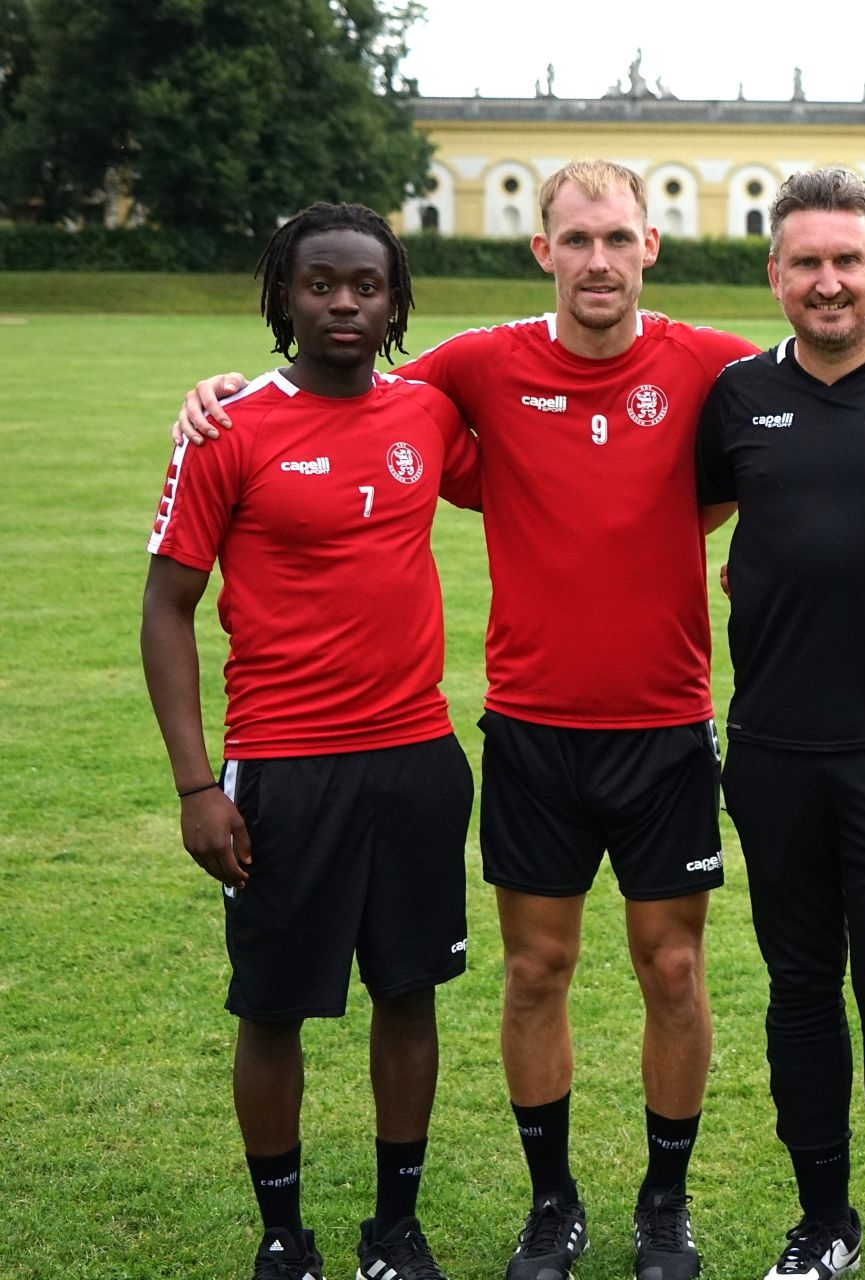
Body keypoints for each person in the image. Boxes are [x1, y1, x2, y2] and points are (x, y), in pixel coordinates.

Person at [175, 160, 865, 1280]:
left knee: (674, 969)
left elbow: (805, 422)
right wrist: (225, 389)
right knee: (534, 973)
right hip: (530, 726)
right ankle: (551, 1203)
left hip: (666, 725)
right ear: (543, 251)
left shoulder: (715, 368)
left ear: (650, 245)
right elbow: (349, 377)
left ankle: (665, 1205)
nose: (597, 260)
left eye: (617, 238)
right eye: (576, 239)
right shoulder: (476, 365)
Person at [142, 203, 481, 1280]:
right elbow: (165, 609)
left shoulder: (428, 413)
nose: (343, 303)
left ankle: (396, 1227)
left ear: (396, 302)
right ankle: (284, 1233)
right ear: (284, 296)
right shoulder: (228, 428)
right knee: (274, 1005)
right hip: (282, 767)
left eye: (365, 287)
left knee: (408, 991)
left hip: (417, 758)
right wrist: (197, 786)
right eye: (320, 284)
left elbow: (548, 453)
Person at [696, 168, 865, 1280]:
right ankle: (824, 1224)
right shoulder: (735, 395)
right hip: (774, 750)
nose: (827, 281)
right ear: (775, 275)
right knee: (800, 991)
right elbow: (689, 515)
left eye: (846, 260)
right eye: (805, 262)